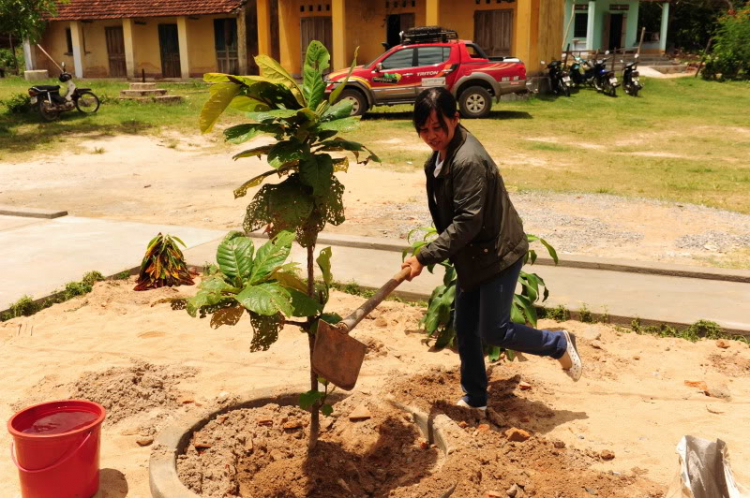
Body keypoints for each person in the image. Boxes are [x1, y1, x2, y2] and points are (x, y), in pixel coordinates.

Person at [401, 87, 582, 411]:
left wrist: (424, 256)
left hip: (497, 253)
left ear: (455, 119)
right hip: (473, 253)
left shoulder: (468, 160)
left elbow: (468, 222)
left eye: (438, 127)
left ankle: (558, 343)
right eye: (424, 129)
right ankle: (476, 397)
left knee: (494, 330)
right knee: (465, 327)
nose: (431, 136)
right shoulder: (439, 159)